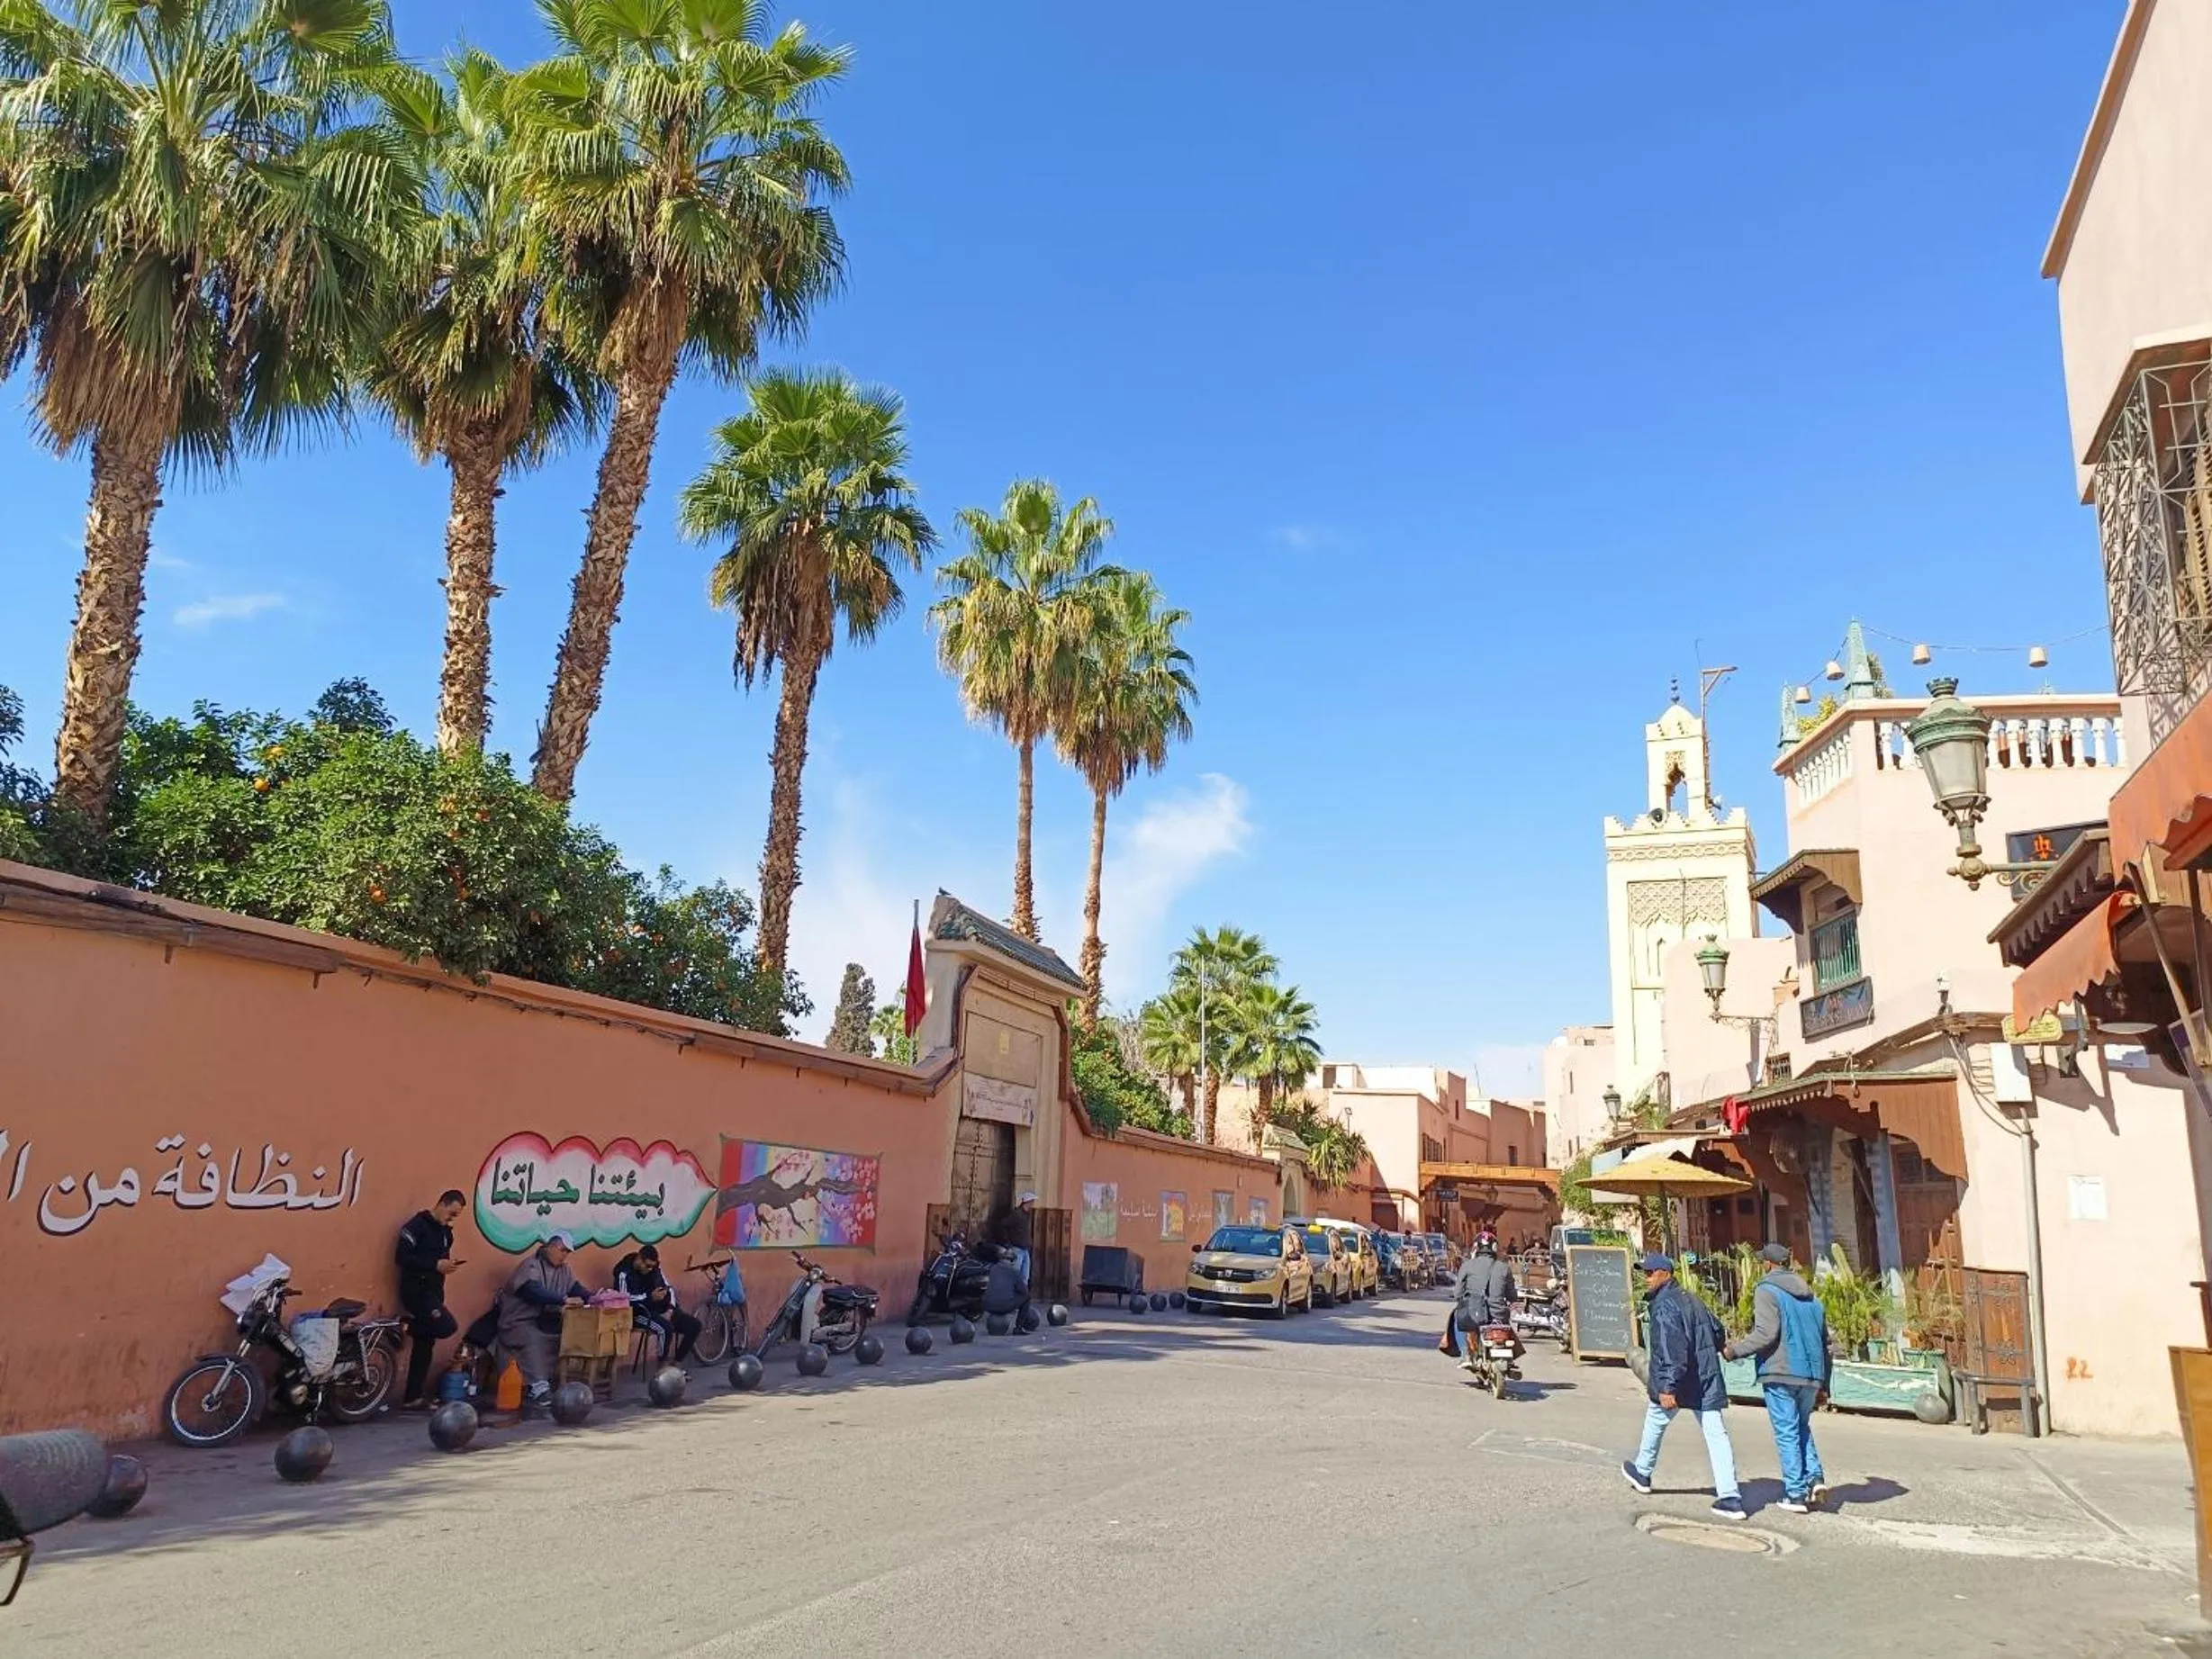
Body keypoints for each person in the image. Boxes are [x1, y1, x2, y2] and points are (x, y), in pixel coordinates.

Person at [1621, 1252, 1744, 1520]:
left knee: (1657, 1419)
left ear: (1666, 1273)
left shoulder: (1665, 1306)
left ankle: (1643, 1471)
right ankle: (1730, 1494)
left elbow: (1671, 1349)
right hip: (1705, 1376)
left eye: (1651, 1272)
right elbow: (1716, 1328)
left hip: (1681, 1378)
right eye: (1645, 1272)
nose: (1647, 1277)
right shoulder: (1691, 1298)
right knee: (1716, 1433)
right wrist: (1722, 1348)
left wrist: (1668, 1386)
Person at [1724, 1242, 1837, 1513]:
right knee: (1801, 1426)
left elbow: (1766, 1333)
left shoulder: (1767, 1290)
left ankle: (1795, 1494)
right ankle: (1814, 1478)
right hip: (1811, 1373)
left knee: (1787, 1431)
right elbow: (1826, 1344)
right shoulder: (1813, 1299)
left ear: (1767, 1264)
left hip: (1781, 1369)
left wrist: (1734, 1351)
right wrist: (1825, 1383)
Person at [497, 1231, 591, 1411]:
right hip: (518, 1321)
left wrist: (593, 1298)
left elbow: (575, 1288)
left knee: (566, 1334)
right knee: (532, 1338)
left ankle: (553, 1381)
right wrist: (563, 1300)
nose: (564, 1256)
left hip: (545, 1319)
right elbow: (532, 1290)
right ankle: (538, 1387)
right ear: (552, 1247)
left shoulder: (564, 1269)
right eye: (562, 1251)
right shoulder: (531, 1265)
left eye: (567, 1253)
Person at [394, 1189, 467, 1411]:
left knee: (425, 1345)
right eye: (452, 1213)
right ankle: (406, 1324)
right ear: (442, 1204)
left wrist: (447, 1265)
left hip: (434, 1293)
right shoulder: (416, 1226)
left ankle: (412, 1397)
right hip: (417, 1292)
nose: (452, 1219)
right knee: (446, 1326)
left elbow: (441, 1260)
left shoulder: (446, 1233)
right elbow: (402, 1258)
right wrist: (434, 1265)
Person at [613, 1243, 700, 1365]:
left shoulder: (655, 1270)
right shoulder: (624, 1273)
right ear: (639, 1258)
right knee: (665, 1329)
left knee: (694, 1325)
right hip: (638, 1312)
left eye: (652, 1267)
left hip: (660, 1309)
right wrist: (649, 1298)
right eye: (647, 1266)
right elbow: (624, 1299)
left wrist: (670, 1308)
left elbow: (669, 1289)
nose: (649, 1269)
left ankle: (676, 1363)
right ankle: (662, 1366)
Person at [1449, 1229, 1518, 1374]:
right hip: (1499, 1314)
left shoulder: (1467, 1266)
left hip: (1475, 1314)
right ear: (1494, 1248)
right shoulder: (1504, 1268)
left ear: (1476, 1248)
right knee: (1506, 1327)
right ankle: (1509, 1357)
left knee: (1458, 1319)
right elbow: (1512, 1295)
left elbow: (1457, 1293)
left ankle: (1466, 1354)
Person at [993, 1190, 1037, 1290]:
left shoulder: (1026, 1215)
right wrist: (1008, 1242)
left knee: (1024, 1277)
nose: (1032, 1204)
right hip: (1017, 1249)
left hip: (1025, 1249)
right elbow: (1002, 1225)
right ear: (1027, 1202)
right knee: (1014, 1276)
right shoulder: (1016, 1214)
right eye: (1032, 1202)